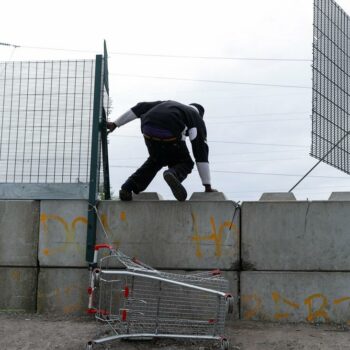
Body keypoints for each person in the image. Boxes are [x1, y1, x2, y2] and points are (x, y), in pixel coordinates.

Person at [107, 100, 217, 201]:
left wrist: (116, 124)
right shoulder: (196, 118)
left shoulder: (168, 104)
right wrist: (207, 185)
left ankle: (128, 187)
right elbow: (200, 150)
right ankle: (173, 174)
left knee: (155, 161)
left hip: (148, 130)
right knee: (186, 162)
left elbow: (140, 107)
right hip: (170, 132)